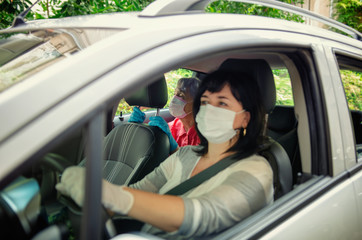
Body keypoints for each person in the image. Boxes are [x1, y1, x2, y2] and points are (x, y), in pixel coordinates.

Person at [56, 70, 274, 239]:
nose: (210, 110)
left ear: (245, 118)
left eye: (222, 103)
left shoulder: (257, 169)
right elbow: (139, 191)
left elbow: (201, 215)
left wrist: (108, 194)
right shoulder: (184, 155)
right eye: (205, 102)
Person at [128, 77, 201, 153]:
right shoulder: (171, 128)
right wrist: (136, 128)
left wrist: (173, 147)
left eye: (181, 95)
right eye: (174, 94)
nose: (174, 99)